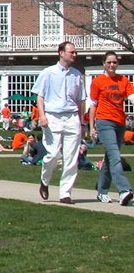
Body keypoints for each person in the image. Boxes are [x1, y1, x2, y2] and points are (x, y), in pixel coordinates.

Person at [34, 41, 86, 204]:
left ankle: (65, 193)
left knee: (71, 157)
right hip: (53, 117)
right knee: (53, 154)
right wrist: (42, 116)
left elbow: (80, 101)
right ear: (61, 53)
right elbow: (40, 96)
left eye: (75, 52)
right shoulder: (48, 73)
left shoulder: (77, 74)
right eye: (71, 52)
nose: (74, 55)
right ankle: (45, 181)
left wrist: (81, 121)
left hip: (71, 117)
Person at [88, 51, 134, 205]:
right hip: (104, 121)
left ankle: (102, 191)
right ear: (104, 64)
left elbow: (132, 98)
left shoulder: (124, 80)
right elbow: (93, 105)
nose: (112, 65)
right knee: (115, 156)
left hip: (119, 122)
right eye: (109, 62)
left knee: (109, 159)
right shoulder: (98, 81)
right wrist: (91, 127)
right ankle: (124, 190)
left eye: (114, 62)